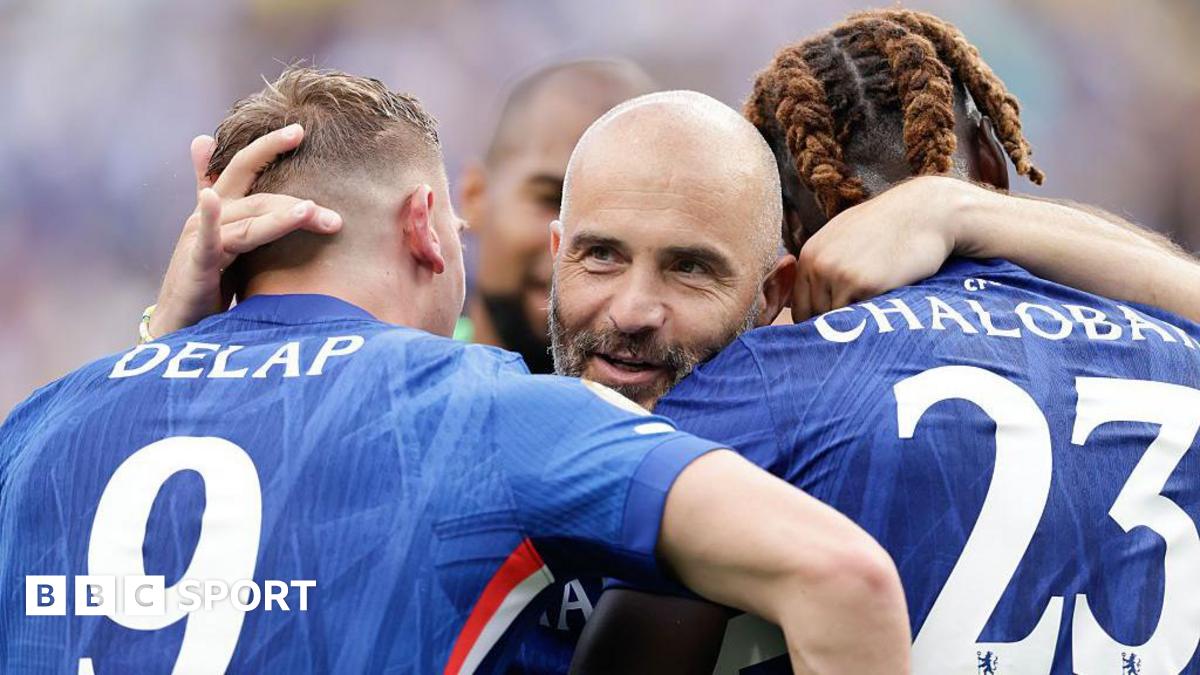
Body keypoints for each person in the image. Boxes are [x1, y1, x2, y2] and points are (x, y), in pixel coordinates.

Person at [0, 67, 912, 674]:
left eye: (689, 267)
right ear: (427, 225)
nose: (634, 309)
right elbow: (846, 578)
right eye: (598, 254)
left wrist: (163, 351)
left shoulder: (37, 427)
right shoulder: (494, 413)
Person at [574, 9, 1200, 673]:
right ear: (992, 167)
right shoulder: (1181, 351)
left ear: (786, 229)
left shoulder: (752, 387)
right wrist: (961, 207)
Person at [458, 59, 655, 374]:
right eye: (554, 199)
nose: (583, 243)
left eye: (620, 216)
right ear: (475, 196)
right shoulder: (395, 380)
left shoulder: (680, 401)